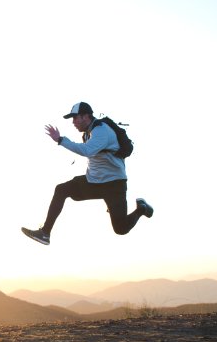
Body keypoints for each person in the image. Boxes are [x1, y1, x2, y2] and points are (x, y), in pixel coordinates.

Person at [22, 101, 153, 245]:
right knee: (62, 189)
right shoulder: (88, 133)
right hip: (93, 182)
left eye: (75, 118)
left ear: (86, 116)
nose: (73, 122)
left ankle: (141, 209)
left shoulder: (101, 130)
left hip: (114, 185)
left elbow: (87, 151)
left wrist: (60, 140)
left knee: (120, 229)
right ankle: (45, 233)